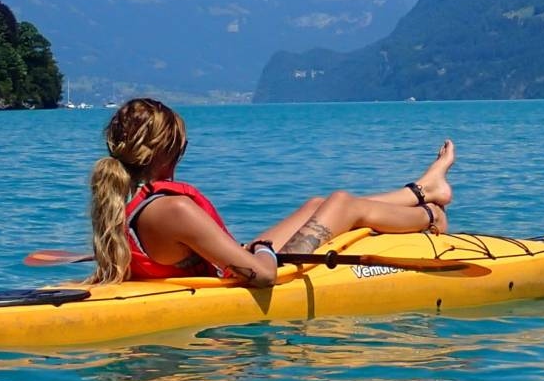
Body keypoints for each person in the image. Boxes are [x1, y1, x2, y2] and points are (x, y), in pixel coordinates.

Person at [86, 97, 456, 286]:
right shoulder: (172, 210)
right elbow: (262, 277)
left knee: (319, 205)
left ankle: (424, 188)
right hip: (251, 272)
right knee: (342, 204)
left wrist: (253, 251)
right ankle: (431, 215)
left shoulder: (122, 200)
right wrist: (261, 250)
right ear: (168, 153)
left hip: (231, 266)